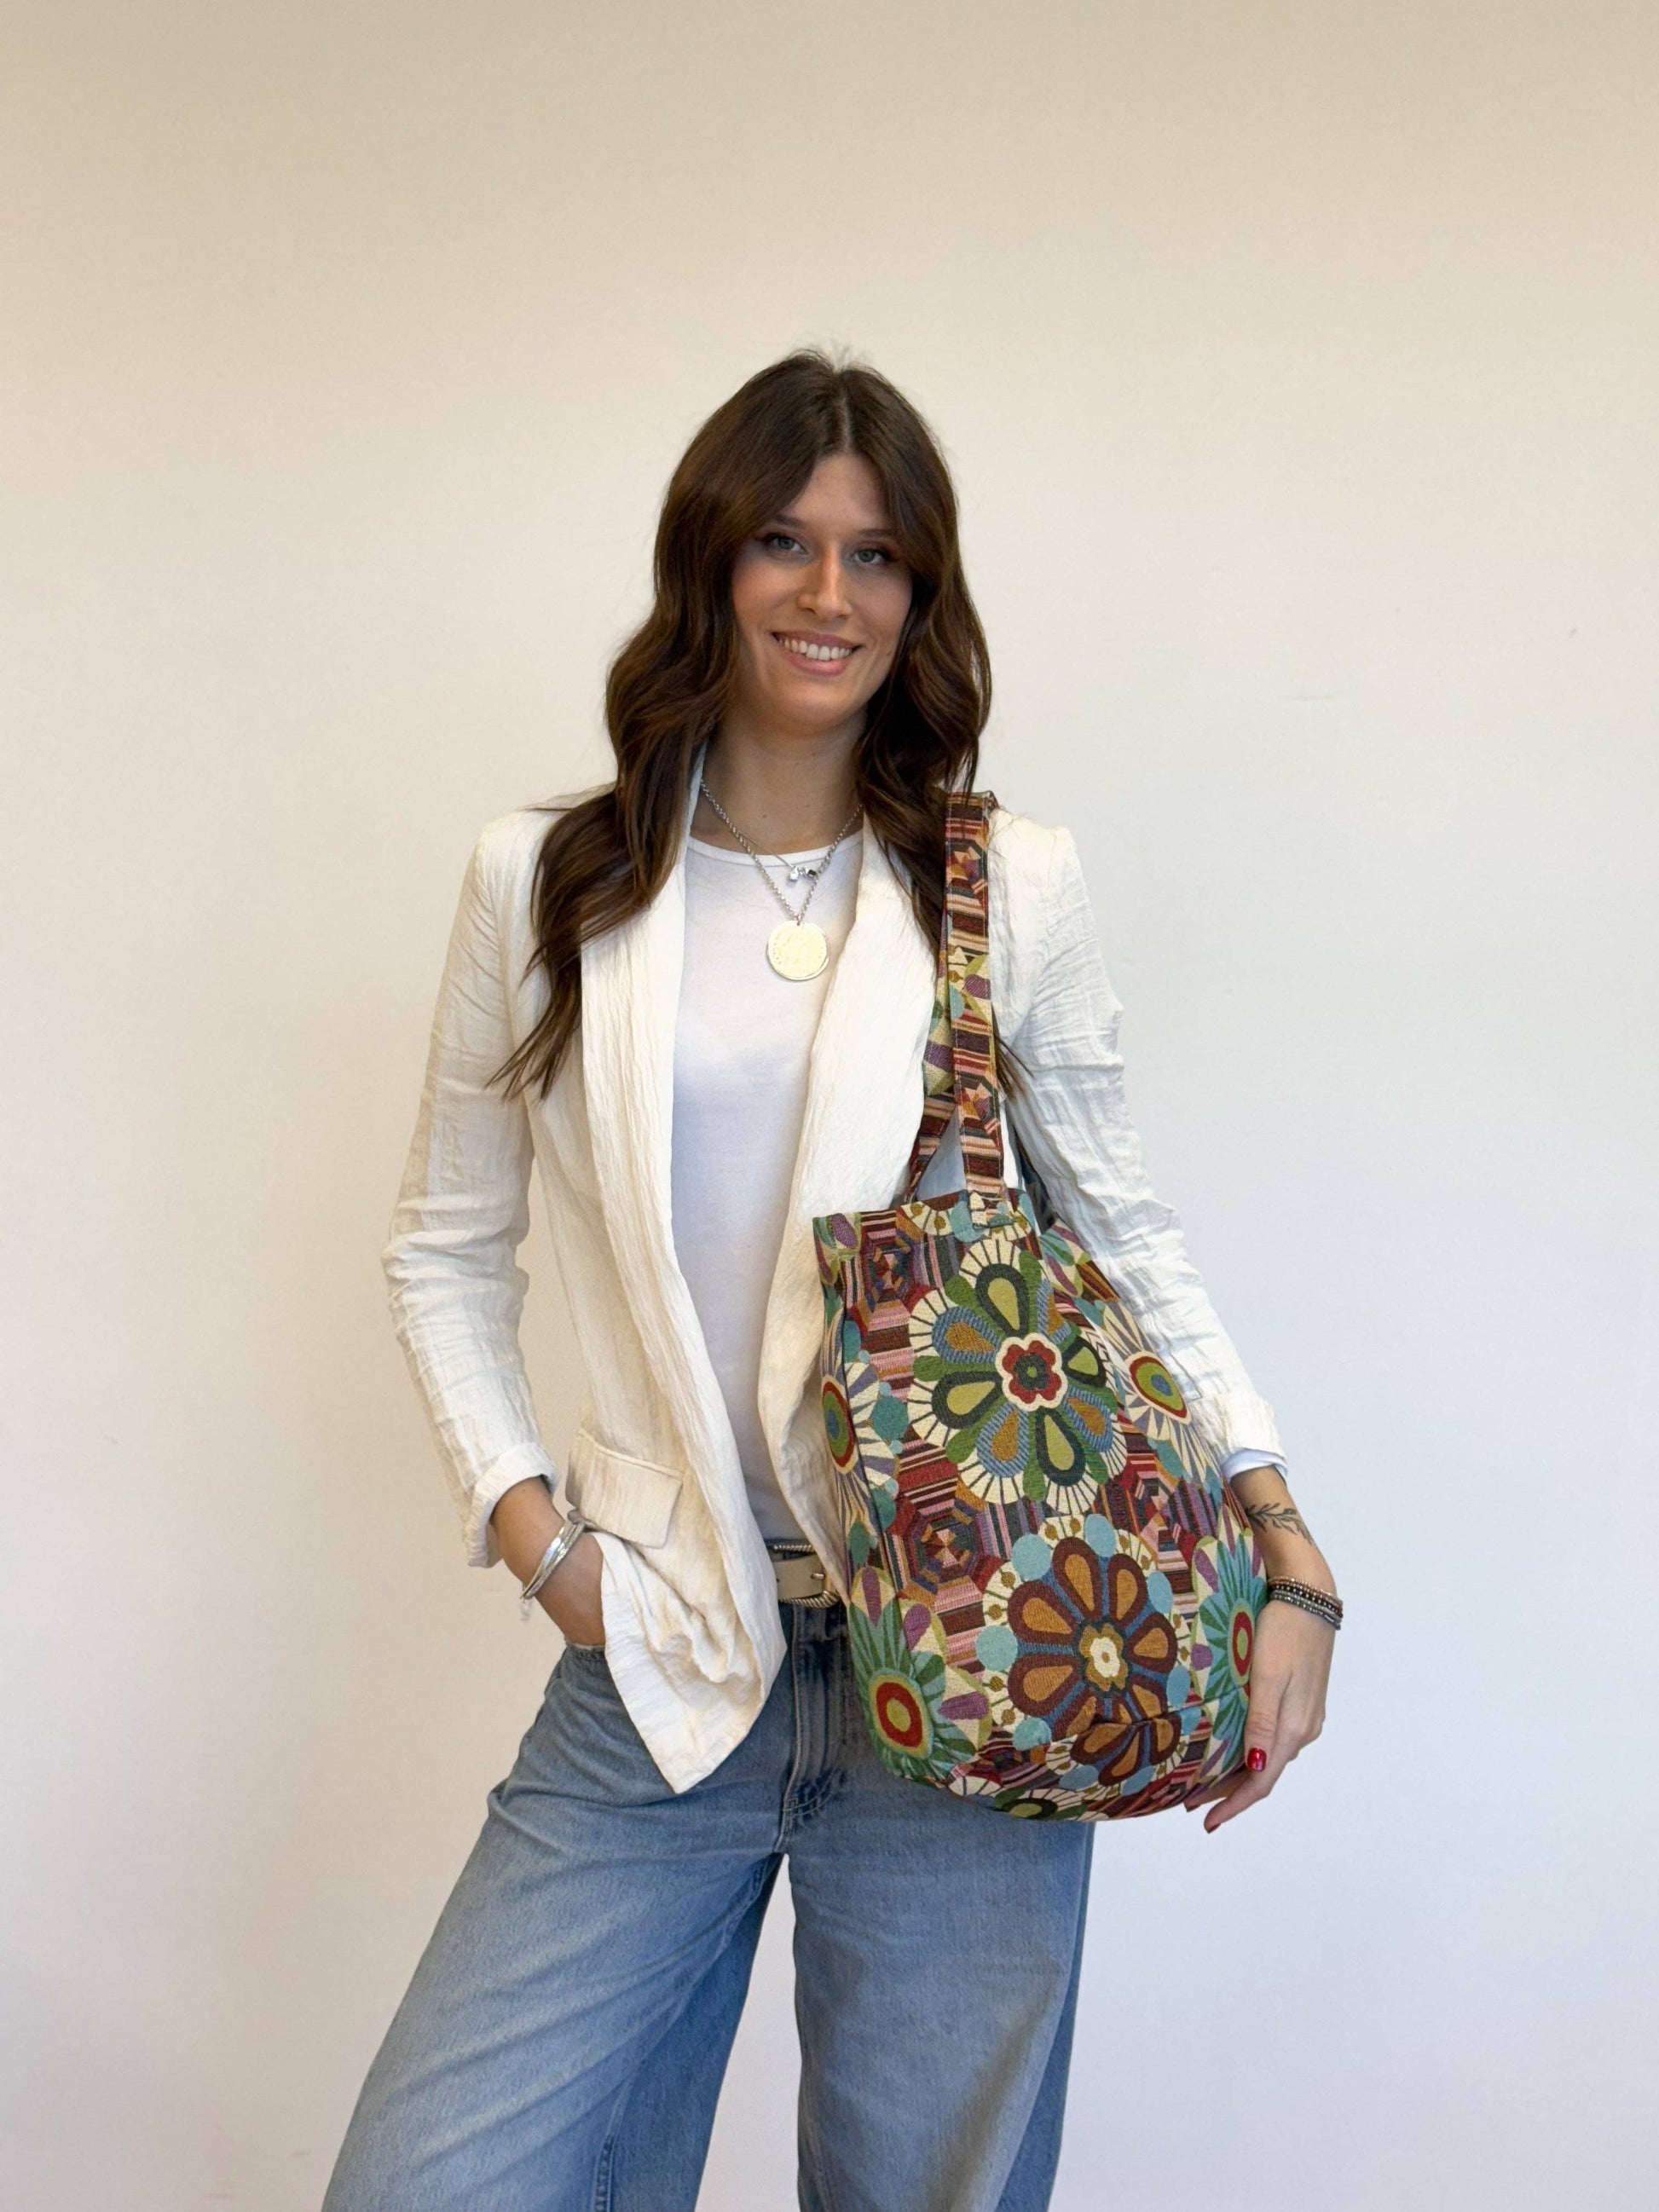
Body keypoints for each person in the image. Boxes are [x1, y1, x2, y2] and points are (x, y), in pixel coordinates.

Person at [322, 351, 1338, 2212]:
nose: (827, 591)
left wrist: (1286, 1549)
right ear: (708, 561)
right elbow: (446, 1246)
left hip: (970, 1653)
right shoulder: (549, 882)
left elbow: (1125, 1236)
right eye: (784, 540)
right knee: (430, 2180)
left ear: (919, 596)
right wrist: (544, 1544)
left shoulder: (1000, 884)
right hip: (663, 1658)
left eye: (876, 556)